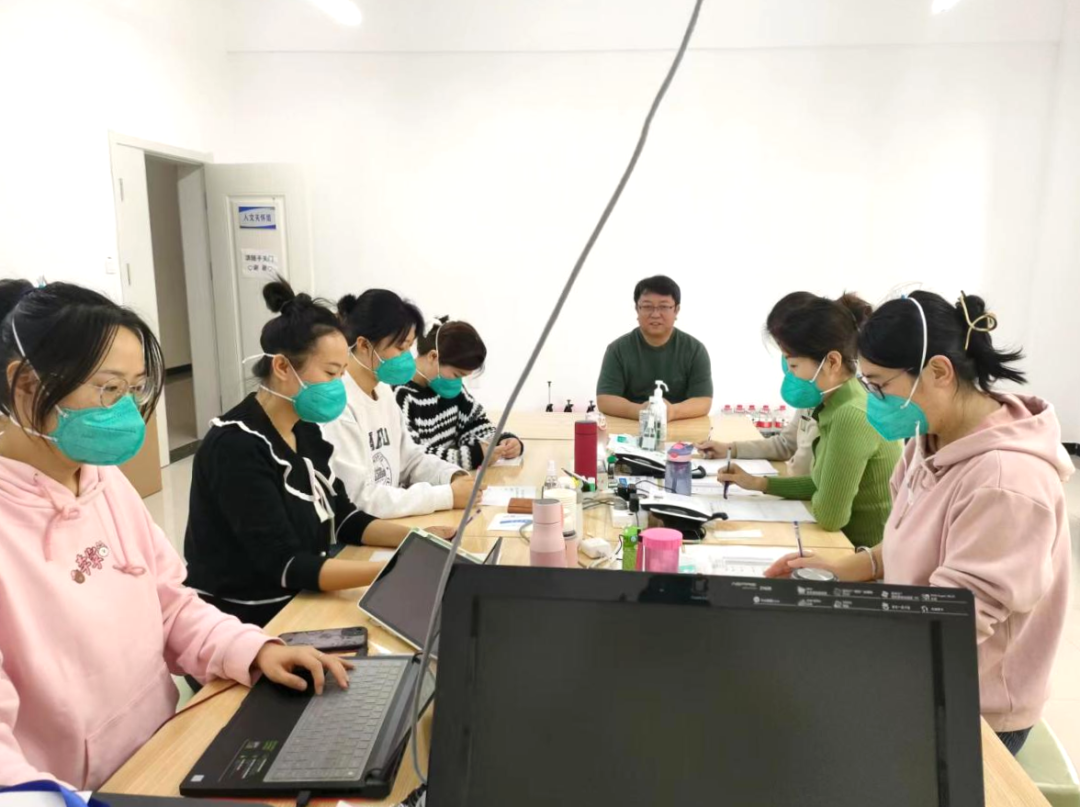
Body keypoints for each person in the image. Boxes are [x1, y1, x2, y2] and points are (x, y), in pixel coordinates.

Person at [0, 279, 350, 790]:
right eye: (109, 388)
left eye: (135, 388)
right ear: (27, 386)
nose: (126, 411)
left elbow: (169, 605)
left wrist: (253, 649)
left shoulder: (104, 482)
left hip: (161, 755)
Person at [766, 291, 1072, 756]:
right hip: (918, 661)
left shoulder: (1006, 483)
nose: (873, 400)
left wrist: (836, 648)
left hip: (973, 707)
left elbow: (950, 625)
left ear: (939, 372)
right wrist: (843, 569)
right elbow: (909, 542)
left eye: (879, 385)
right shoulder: (929, 439)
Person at [184, 281, 444, 627]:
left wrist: (419, 541)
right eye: (331, 373)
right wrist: (391, 570)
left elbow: (345, 518)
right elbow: (285, 564)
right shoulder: (235, 446)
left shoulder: (303, 428)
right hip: (249, 618)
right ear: (282, 367)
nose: (339, 386)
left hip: (302, 595)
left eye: (341, 373)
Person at [717, 292, 901, 548]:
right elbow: (821, 484)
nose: (791, 376)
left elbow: (830, 517)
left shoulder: (850, 414)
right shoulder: (839, 403)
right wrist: (758, 483)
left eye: (793, 366)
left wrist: (816, 495)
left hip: (859, 552)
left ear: (832, 362)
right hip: (846, 545)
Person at [322, 290, 475, 519]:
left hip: (390, 522)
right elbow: (360, 499)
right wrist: (447, 496)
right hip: (363, 530)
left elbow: (410, 460)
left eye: (410, 347)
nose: (407, 357)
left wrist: (452, 476)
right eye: (401, 348)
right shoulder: (339, 405)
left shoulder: (383, 391)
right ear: (364, 345)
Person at [395, 318, 524, 472]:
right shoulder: (400, 396)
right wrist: (471, 457)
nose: (458, 382)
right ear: (433, 357)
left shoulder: (449, 389)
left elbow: (474, 425)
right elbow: (411, 458)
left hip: (451, 480)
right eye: (457, 375)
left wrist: (502, 441)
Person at [596, 275, 712, 421]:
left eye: (664, 306)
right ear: (637, 309)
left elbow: (703, 401)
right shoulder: (617, 349)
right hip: (630, 426)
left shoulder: (695, 350)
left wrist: (672, 412)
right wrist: (641, 411)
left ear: (676, 310)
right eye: (647, 306)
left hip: (680, 424)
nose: (655, 314)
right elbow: (605, 399)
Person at [697, 409, 818, 477]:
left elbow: (801, 472)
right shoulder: (807, 401)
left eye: (794, 370)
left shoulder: (829, 411)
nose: (791, 376)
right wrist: (730, 449)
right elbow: (784, 444)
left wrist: (760, 483)